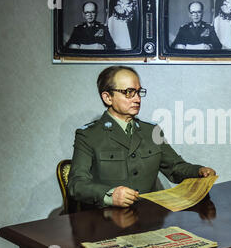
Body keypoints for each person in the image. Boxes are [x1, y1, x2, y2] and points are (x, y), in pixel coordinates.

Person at [68, 66, 216, 208]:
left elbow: (175, 167)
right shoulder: (88, 135)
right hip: (107, 219)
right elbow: (77, 184)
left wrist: (199, 171)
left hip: (149, 216)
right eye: (129, 92)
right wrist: (110, 195)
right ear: (108, 98)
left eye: (139, 92)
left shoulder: (152, 131)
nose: (137, 99)